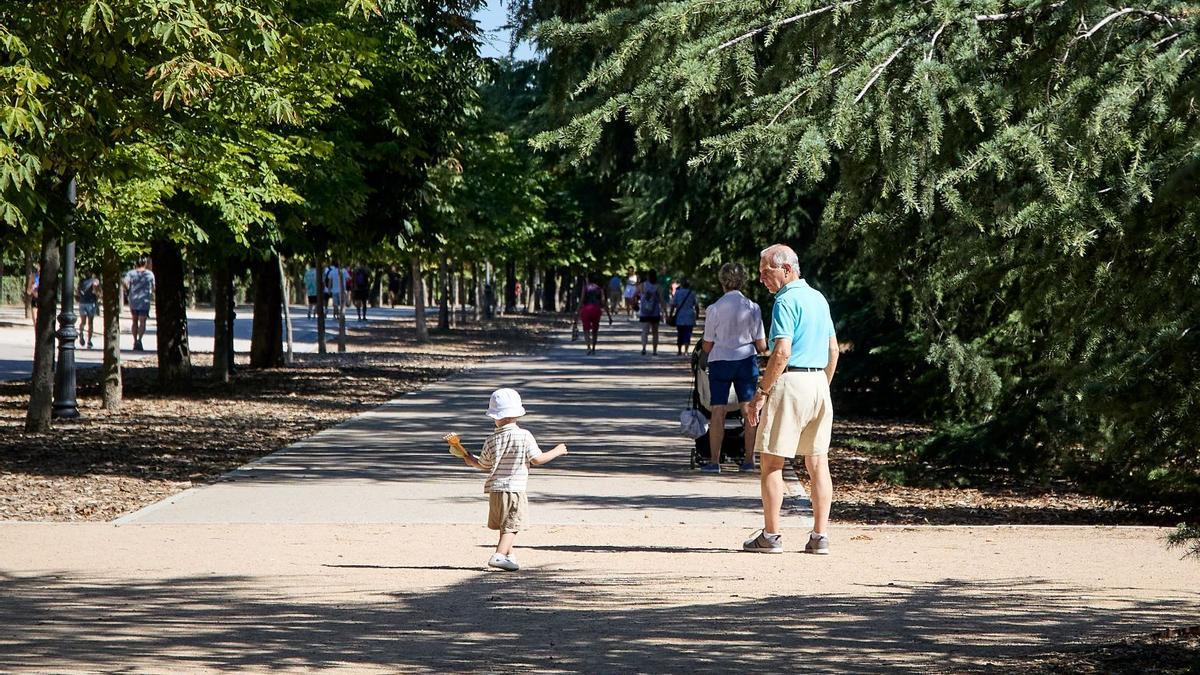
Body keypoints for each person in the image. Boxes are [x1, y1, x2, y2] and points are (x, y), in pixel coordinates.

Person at [744, 244, 838, 555]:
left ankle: (771, 536)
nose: (761, 279)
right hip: (817, 383)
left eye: (765, 272)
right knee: (817, 462)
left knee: (771, 462)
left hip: (792, 381)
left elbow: (781, 352)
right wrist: (821, 384)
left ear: (786, 270)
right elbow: (833, 351)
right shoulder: (818, 298)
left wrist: (761, 393)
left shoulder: (785, 301)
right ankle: (819, 536)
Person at [457, 388, 568, 571]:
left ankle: (509, 555)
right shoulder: (524, 435)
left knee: (505, 522)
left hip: (495, 490)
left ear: (494, 416)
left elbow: (484, 464)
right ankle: (499, 555)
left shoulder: (491, 439)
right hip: (514, 488)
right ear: (518, 414)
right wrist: (557, 451)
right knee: (512, 525)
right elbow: (537, 459)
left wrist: (471, 459)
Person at [698, 263, 767, 474]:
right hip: (746, 361)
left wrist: (702, 356)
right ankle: (748, 460)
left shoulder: (715, 308)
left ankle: (715, 462)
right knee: (748, 410)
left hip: (720, 362)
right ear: (744, 280)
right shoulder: (753, 307)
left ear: (721, 281)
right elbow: (762, 345)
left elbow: (707, 344)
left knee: (717, 410)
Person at [123, 257, 155, 351]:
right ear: (145, 263)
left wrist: (127, 289)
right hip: (144, 300)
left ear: (135, 263)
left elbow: (125, 283)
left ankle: (134, 340)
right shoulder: (149, 274)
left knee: (134, 321)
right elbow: (154, 287)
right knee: (142, 322)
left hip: (133, 300)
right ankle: (139, 340)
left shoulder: (131, 273)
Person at [578, 274, 612, 355]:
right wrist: (609, 316)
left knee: (586, 330)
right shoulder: (600, 289)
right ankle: (593, 348)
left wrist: (577, 311)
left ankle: (588, 347)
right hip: (596, 310)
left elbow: (582, 300)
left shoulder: (585, 287)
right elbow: (604, 302)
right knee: (595, 330)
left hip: (586, 309)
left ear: (588, 279)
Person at [637, 269, 664, 355]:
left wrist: (635, 303)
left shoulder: (642, 285)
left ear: (648, 276)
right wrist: (665, 312)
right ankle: (654, 350)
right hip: (655, 312)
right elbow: (662, 300)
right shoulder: (658, 287)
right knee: (655, 332)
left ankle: (644, 348)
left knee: (645, 331)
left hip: (644, 312)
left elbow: (634, 294)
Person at [669, 277, 699, 355]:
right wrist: (697, 315)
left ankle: (679, 350)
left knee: (680, 333)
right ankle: (686, 350)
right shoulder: (692, 293)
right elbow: (696, 305)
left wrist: (670, 315)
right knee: (688, 334)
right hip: (689, 316)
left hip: (680, 316)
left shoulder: (678, 293)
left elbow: (673, 305)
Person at [77, 271, 101, 349]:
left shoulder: (81, 281)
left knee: (83, 321)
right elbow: (97, 292)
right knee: (90, 323)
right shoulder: (95, 281)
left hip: (82, 302)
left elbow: (78, 292)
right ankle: (89, 341)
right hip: (91, 303)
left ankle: (81, 333)